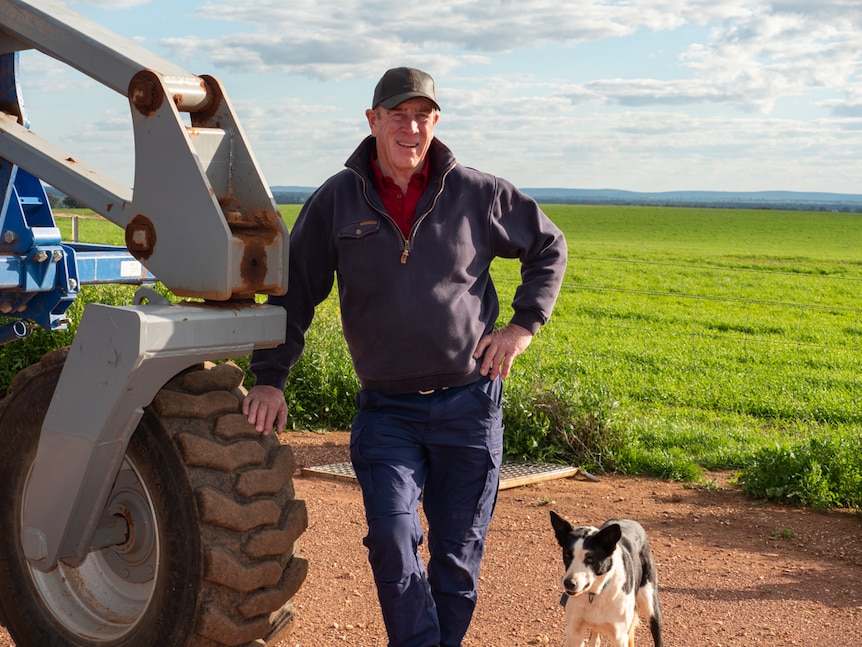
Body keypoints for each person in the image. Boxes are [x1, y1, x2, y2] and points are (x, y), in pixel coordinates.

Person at [243, 66, 567, 647]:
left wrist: (521, 328)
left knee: (457, 559)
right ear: (373, 122)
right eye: (398, 116)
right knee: (392, 542)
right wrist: (270, 379)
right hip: (387, 411)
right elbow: (295, 292)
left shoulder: (476, 192)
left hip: (469, 405)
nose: (410, 128)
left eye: (422, 116)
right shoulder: (338, 201)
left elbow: (548, 245)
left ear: (435, 123)